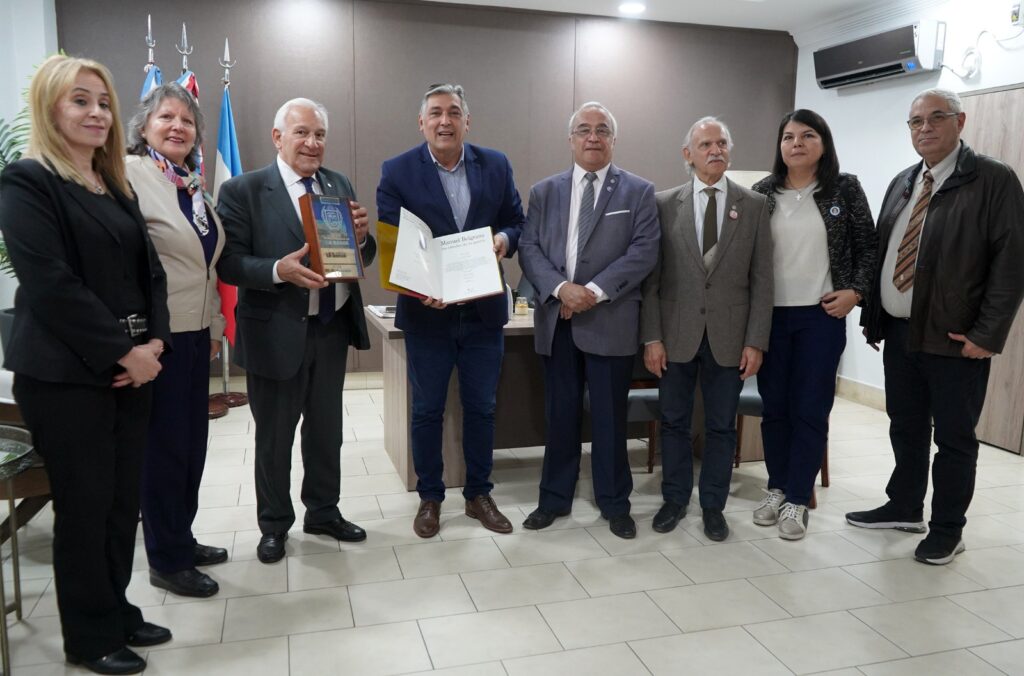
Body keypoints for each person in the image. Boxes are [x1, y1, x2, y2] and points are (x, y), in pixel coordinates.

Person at [0, 55, 172, 675]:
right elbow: (51, 284)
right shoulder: (28, 181)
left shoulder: (113, 182)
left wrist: (153, 346)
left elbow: (149, 274)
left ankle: (117, 609)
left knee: (122, 501)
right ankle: (90, 636)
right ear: (51, 109)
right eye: (80, 100)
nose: (97, 112)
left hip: (134, 367)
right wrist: (120, 351)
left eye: (103, 101)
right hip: (69, 376)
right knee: (86, 504)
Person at [851, 88, 1024, 564]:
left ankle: (949, 528)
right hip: (903, 333)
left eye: (935, 118)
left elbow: (1011, 265)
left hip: (954, 341)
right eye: (914, 122)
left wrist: (986, 336)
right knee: (905, 427)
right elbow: (885, 252)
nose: (923, 128)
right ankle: (905, 506)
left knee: (953, 438)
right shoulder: (904, 181)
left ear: (960, 121)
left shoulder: (993, 180)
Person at [217, 98, 376, 563]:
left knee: (327, 432)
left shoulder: (337, 183)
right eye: (302, 132)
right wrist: (276, 270)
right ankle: (274, 524)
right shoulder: (244, 190)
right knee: (275, 436)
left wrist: (362, 240)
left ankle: (324, 511)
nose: (312, 143)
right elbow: (228, 263)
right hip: (275, 332)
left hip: (330, 328)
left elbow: (355, 260)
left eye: (320, 135)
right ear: (277, 137)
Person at [376, 83, 524, 538]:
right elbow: (391, 240)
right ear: (422, 123)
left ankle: (479, 493)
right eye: (436, 113)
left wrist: (503, 240)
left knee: (482, 407)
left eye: (454, 112)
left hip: (482, 312)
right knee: (427, 409)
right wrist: (421, 288)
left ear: (467, 121)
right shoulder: (397, 170)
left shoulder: (495, 164)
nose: (445, 121)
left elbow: (516, 221)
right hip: (427, 314)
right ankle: (430, 497)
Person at [519, 101, 660, 539]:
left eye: (602, 130)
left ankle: (615, 503)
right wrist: (562, 289)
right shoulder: (545, 191)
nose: (593, 137)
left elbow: (643, 251)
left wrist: (591, 293)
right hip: (557, 321)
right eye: (584, 129)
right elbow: (529, 248)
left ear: (613, 140)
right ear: (571, 139)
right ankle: (553, 500)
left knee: (610, 419)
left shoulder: (638, 191)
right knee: (559, 415)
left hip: (610, 320)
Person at [641, 116, 773, 542]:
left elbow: (762, 280)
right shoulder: (663, 204)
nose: (714, 150)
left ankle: (713, 506)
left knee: (721, 427)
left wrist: (756, 340)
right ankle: (675, 500)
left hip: (730, 338)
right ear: (688, 154)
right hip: (675, 336)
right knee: (675, 423)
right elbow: (653, 281)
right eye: (704, 144)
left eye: (721, 143)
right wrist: (652, 337)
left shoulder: (752, 205)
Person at [749, 109, 876, 540]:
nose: (796, 144)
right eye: (788, 137)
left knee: (810, 407)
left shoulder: (844, 188)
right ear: (780, 146)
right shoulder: (762, 193)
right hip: (771, 317)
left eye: (807, 135)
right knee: (775, 407)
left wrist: (855, 292)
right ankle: (776, 487)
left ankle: (797, 500)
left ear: (824, 142)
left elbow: (869, 248)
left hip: (820, 317)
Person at [124, 82, 228, 597]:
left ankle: (180, 537)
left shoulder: (191, 183)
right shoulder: (128, 176)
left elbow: (205, 264)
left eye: (187, 121)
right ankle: (166, 557)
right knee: (163, 449)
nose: (178, 128)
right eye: (167, 118)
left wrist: (214, 324)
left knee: (192, 444)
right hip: (158, 337)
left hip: (196, 333)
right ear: (144, 126)